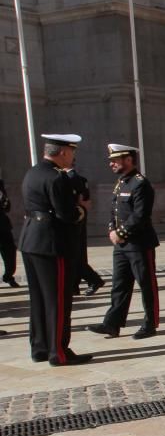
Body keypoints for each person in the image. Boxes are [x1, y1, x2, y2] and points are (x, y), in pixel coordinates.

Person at [19, 133, 91, 365]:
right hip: (52, 243)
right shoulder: (55, 178)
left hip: (31, 240)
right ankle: (58, 351)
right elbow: (67, 214)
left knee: (38, 298)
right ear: (62, 152)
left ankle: (39, 347)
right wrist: (82, 210)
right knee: (57, 299)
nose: (72, 157)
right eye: (71, 152)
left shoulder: (32, 172)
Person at [86, 144, 159, 340]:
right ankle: (112, 323)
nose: (111, 164)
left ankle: (150, 323)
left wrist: (122, 232)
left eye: (115, 160)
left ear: (128, 160)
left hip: (139, 243)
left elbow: (140, 215)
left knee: (146, 284)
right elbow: (114, 210)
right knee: (119, 284)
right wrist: (112, 229)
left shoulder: (140, 183)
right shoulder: (121, 182)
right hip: (121, 244)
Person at [65, 168, 105, 296]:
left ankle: (93, 280)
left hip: (73, 220)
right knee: (75, 254)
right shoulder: (76, 178)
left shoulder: (71, 178)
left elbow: (82, 200)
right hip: (76, 219)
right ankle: (74, 286)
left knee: (73, 255)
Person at [0, 175, 18, 287]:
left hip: (2, 224)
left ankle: (8, 276)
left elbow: (7, 207)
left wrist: (4, 201)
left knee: (10, 251)